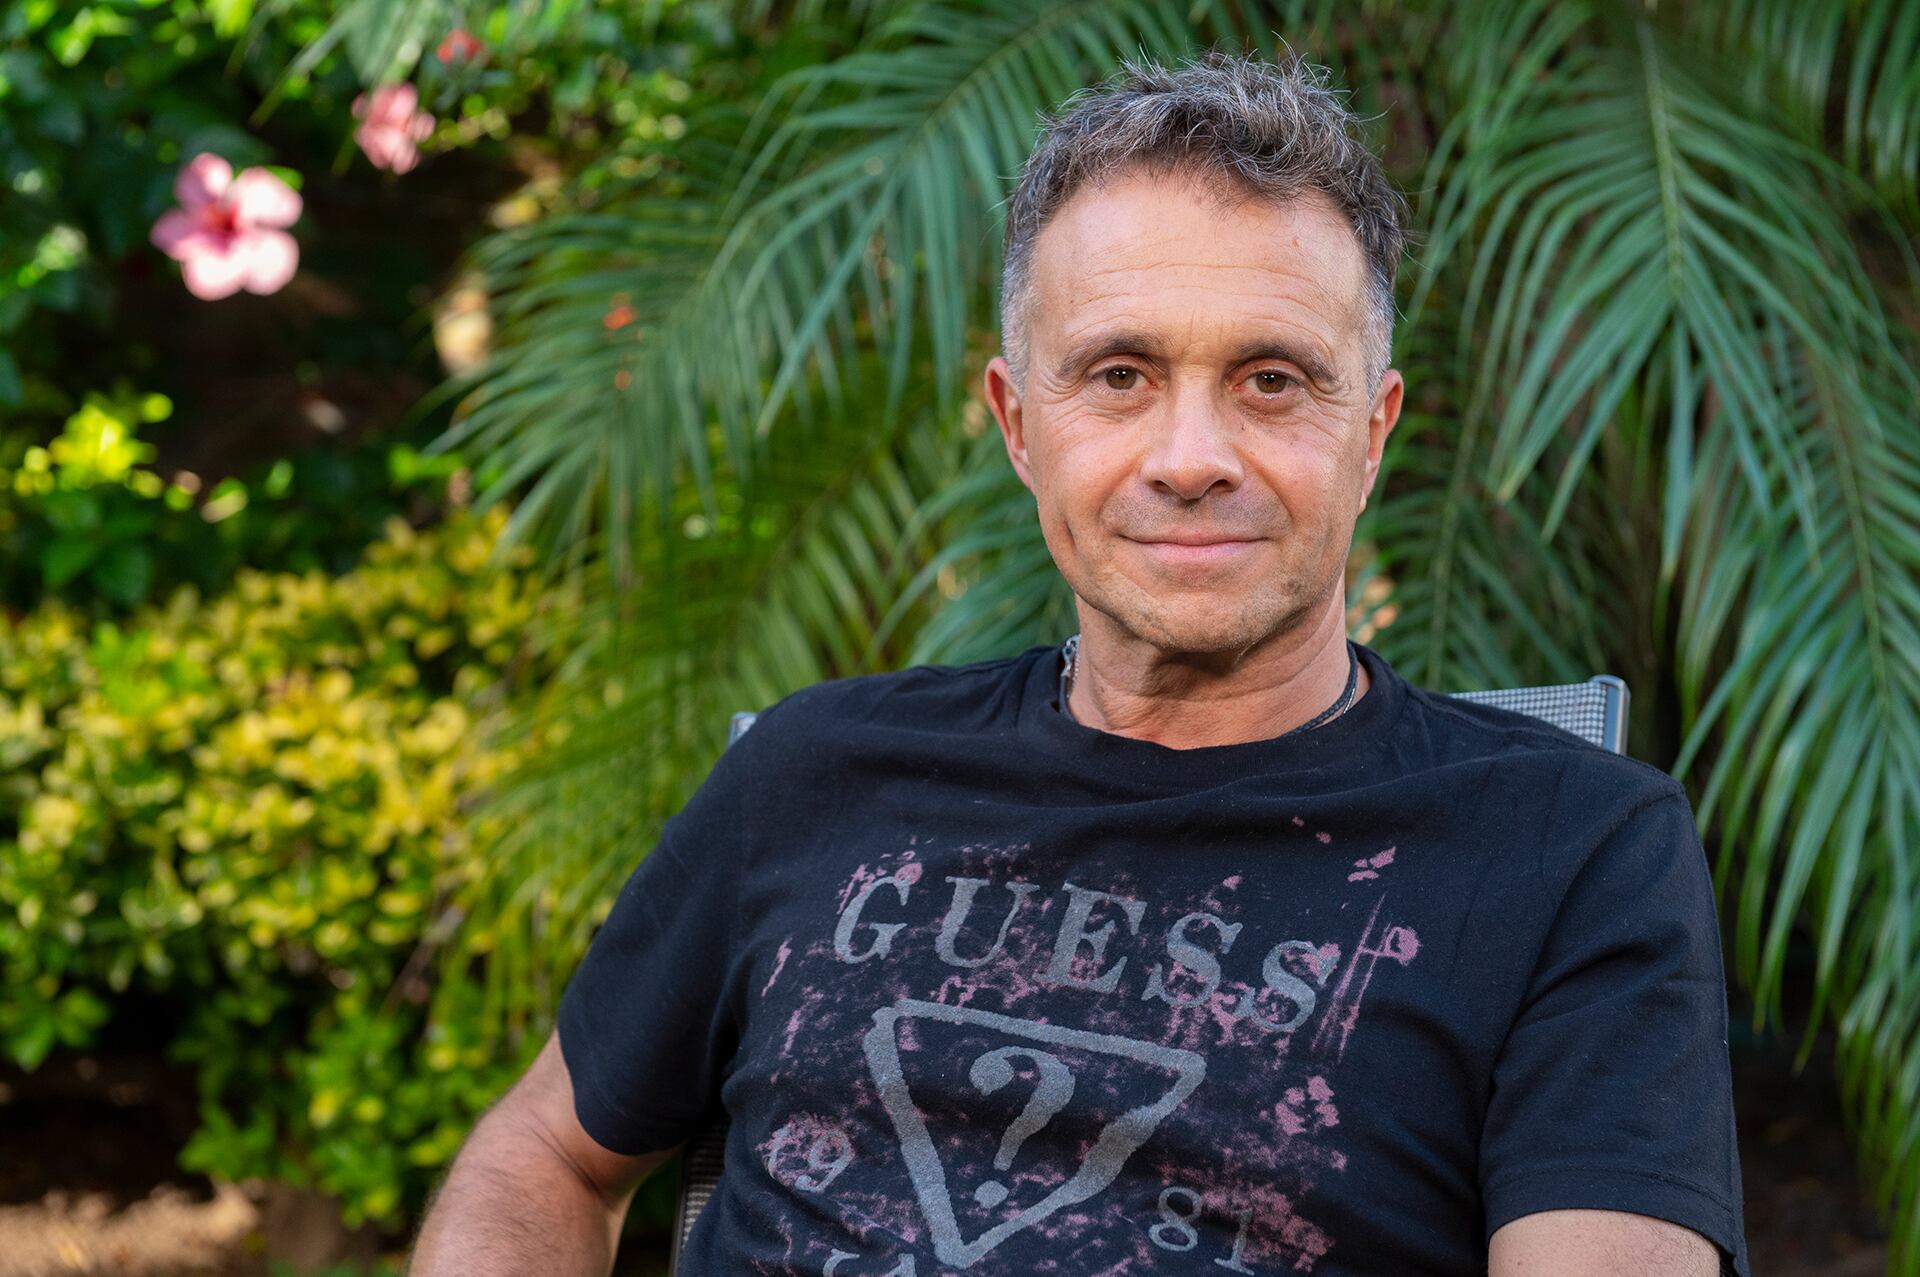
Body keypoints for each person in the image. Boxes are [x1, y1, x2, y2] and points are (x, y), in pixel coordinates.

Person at [407, 49, 1750, 1277]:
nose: (1191, 457)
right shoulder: (814, 771)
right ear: (1017, 424)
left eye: (1273, 379)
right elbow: (544, 1154)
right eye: (1118, 375)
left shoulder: (1570, 848)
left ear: (1373, 433)